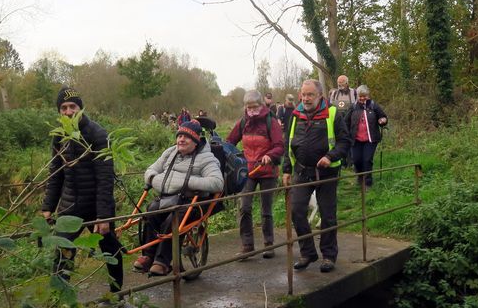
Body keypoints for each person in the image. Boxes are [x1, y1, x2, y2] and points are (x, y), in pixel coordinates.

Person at [42, 86, 124, 295]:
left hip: (97, 205)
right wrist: (48, 206)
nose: (68, 112)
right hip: (70, 205)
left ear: (81, 108)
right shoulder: (59, 136)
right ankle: (60, 301)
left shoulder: (98, 133)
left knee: (109, 249)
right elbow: (56, 173)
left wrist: (104, 216)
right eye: (63, 108)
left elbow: (105, 178)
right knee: (62, 251)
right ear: (59, 111)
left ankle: (117, 293)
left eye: (73, 106)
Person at [133, 120, 224, 276]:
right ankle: (148, 256)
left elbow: (217, 183)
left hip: (194, 202)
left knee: (173, 219)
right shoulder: (170, 152)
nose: (181, 139)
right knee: (150, 212)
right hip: (169, 198)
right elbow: (151, 170)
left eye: (186, 137)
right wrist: (154, 178)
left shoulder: (206, 158)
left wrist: (186, 182)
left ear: (195, 141)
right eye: (180, 135)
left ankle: (162, 261)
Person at [283, 79, 351, 273]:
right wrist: (287, 169)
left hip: (327, 172)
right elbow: (289, 144)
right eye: (303, 94)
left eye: (310, 94)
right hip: (302, 171)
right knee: (296, 211)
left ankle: (329, 256)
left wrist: (330, 156)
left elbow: (345, 142)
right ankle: (308, 253)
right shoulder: (295, 115)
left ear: (320, 95)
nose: (306, 98)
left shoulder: (332, 113)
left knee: (327, 214)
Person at [226, 90, 284, 259]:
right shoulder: (243, 122)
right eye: (248, 107)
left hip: (267, 170)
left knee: (266, 209)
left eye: (254, 106)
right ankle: (247, 245)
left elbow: (279, 145)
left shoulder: (270, 121)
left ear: (261, 105)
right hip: (248, 171)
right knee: (244, 207)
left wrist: (270, 155)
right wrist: (232, 156)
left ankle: (268, 244)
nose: (251, 110)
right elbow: (230, 141)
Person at [345, 85, 388, 188]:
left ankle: (368, 182)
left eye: (364, 96)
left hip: (370, 139)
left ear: (368, 95)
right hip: (356, 139)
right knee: (356, 160)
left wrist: (382, 121)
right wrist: (345, 135)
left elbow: (383, 117)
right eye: (360, 96)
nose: (362, 98)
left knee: (367, 160)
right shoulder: (353, 107)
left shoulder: (374, 106)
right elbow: (346, 122)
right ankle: (360, 178)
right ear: (357, 96)